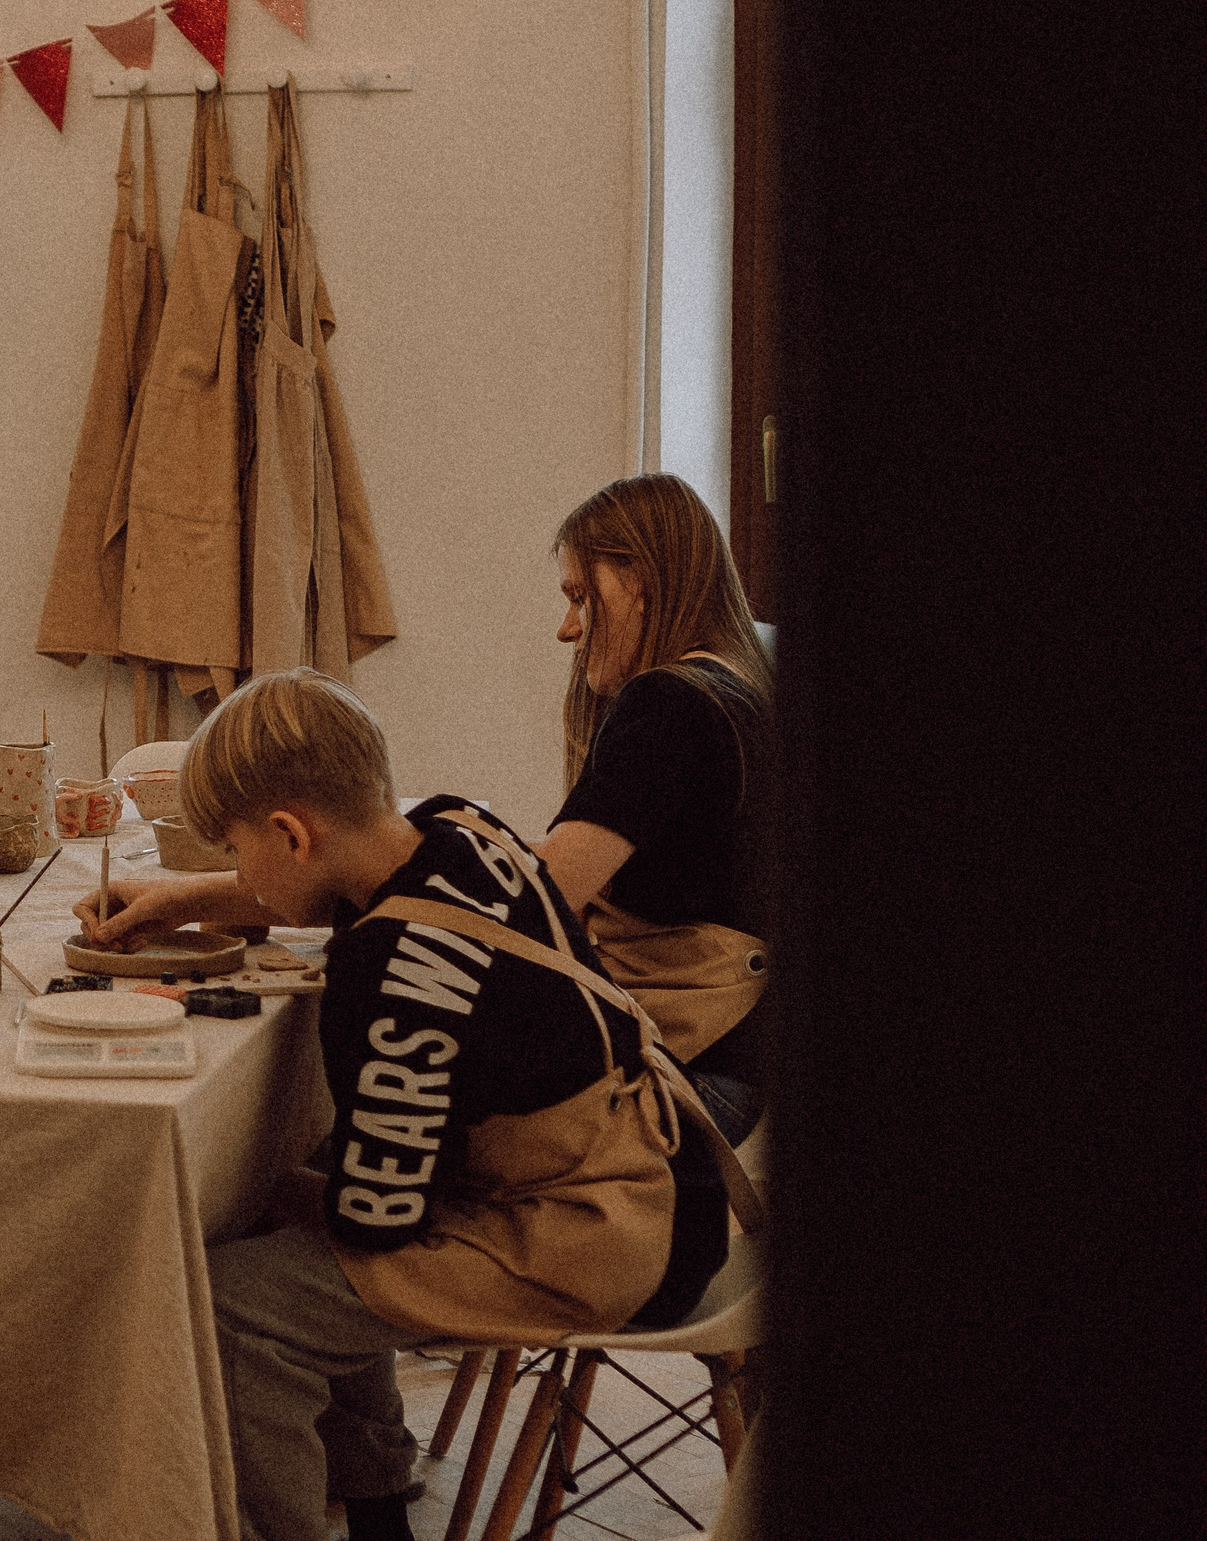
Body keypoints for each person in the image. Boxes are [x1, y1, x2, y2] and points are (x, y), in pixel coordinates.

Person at [77, 670, 721, 1541]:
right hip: (669, 1171)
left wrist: (257, 1184)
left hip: (594, 1239)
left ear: (290, 833)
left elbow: (377, 1225)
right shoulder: (460, 827)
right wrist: (186, 899)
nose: (240, 875)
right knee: (305, 1220)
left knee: (235, 1303)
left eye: (234, 851)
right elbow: (366, 905)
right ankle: (379, 1514)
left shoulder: (382, 978)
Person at [533, 473, 774, 1143]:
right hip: (732, 1070)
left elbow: (540, 896)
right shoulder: (742, 688)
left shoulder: (670, 701)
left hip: (684, 1071)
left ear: (639, 581)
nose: (567, 629)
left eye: (581, 597)